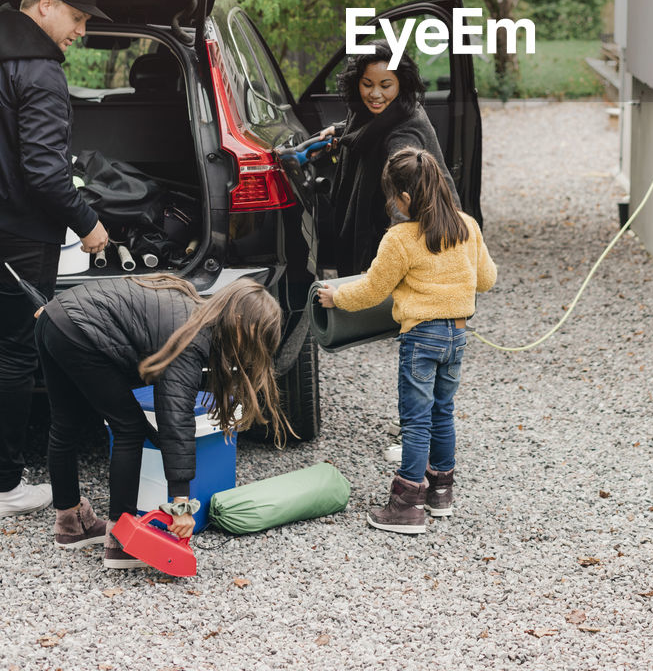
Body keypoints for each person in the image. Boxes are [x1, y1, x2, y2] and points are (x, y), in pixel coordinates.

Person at [34, 274, 288, 567]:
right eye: (254, 341)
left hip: (53, 318)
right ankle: (121, 541)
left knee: (64, 425)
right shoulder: (192, 337)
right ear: (240, 320)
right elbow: (176, 419)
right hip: (77, 328)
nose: (249, 353)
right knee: (128, 427)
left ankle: (70, 524)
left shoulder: (193, 311)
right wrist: (181, 503)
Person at [318, 146, 497, 535]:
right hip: (457, 336)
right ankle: (440, 494)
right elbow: (486, 280)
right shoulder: (467, 226)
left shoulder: (400, 238)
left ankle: (407, 506)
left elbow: (371, 290)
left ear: (404, 198)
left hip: (421, 337)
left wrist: (336, 297)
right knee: (442, 412)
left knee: (416, 422)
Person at [0, 0, 110, 518]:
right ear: (45, 5)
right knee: (14, 353)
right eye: (78, 16)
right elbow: (45, 174)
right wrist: (88, 223)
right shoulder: (39, 71)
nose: (82, 31)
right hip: (20, 235)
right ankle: (5, 487)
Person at [321, 42, 461, 276]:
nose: (375, 94)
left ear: (401, 85)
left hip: (412, 229)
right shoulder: (377, 109)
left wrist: (391, 263)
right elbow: (369, 127)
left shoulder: (405, 138)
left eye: (385, 85)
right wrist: (339, 130)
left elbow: (404, 209)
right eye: (367, 84)